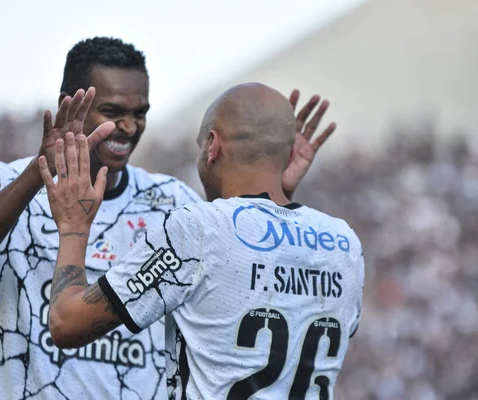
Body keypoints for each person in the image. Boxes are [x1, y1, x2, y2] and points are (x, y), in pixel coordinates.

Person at [0, 36, 336, 399]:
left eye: (140, 112)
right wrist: (38, 174)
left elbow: (246, 274)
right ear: (71, 104)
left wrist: (276, 195)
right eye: (112, 111)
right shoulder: (3, 182)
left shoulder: (172, 200)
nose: (129, 126)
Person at [41, 82, 364, 399]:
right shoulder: (345, 243)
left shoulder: (197, 228)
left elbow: (67, 324)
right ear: (288, 154)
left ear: (213, 145)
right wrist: (282, 194)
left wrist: (73, 226)